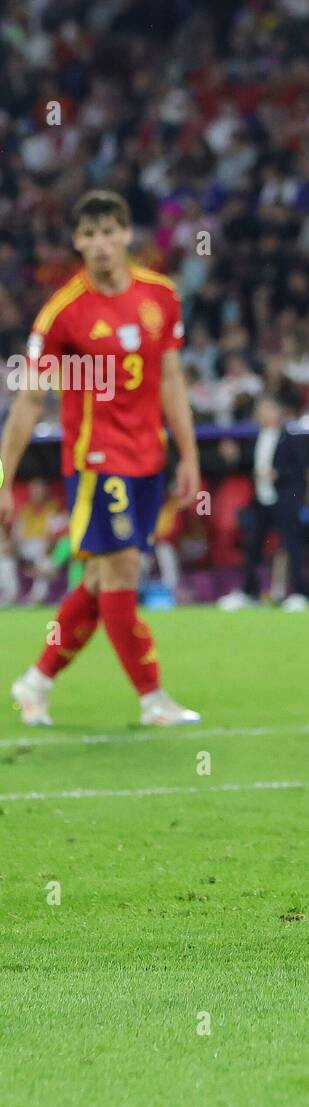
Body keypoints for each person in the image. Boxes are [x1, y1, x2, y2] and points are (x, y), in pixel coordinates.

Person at [0, 190, 201, 726]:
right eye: (89, 234)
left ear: (127, 234)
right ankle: (152, 699)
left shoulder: (161, 296)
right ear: (76, 241)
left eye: (109, 231)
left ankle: (35, 682)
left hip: (149, 459)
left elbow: (172, 379)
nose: (100, 243)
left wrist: (188, 454)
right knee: (123, 569)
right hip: (97, 461)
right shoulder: (63, 313)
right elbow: (29, 400)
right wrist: (4, 478)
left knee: (98, 580)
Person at [218, 396, 309, 610]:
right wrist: (234, 458)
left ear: (276, 412)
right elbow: (248, 466)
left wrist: (278, 474)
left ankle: (299, 593)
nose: (260, 414)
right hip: (261, 500)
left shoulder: (292, 440)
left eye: (264, 410)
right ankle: (248, 592)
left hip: (285, 499)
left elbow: (301, 470)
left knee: (291, 545)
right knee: (253, 547)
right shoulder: (256, 439)